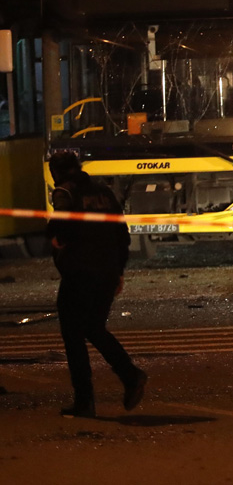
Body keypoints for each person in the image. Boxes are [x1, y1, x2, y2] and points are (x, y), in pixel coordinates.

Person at [47, 151, 147, 418]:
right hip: (107, 271)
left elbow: (62, 229)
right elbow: (121, 232)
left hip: (79, 272)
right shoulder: (103, 192)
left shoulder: (65, 193)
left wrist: (55, 239)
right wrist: (118, 272)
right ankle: (129, 375)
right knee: (93, 327)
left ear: (56, 172)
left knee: (73, 335)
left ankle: (85, 401)